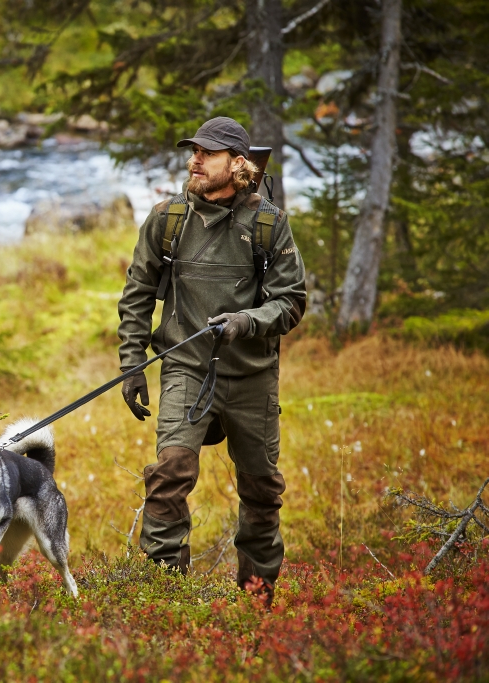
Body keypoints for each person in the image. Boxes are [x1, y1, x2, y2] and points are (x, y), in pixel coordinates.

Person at [117, 116, 307, 605]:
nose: (194, 160)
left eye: (208, 153)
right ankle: (166, 604)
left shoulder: (269, 225)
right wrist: (132, 364)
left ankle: (255, 602)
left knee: (262, 491)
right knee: (168, 478)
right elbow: (137, 293)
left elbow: (291, 301)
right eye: (194, 151)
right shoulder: (168, 220)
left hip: (252, 379)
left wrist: (246, 321)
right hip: (186, 369)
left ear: (238, 164)